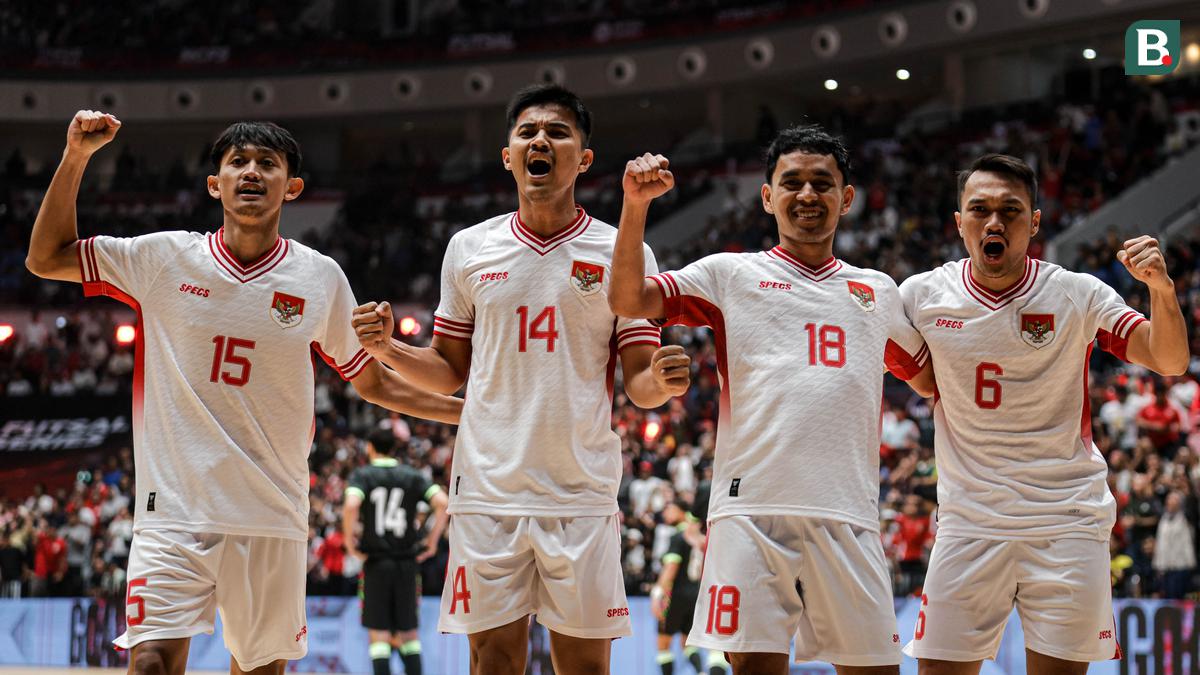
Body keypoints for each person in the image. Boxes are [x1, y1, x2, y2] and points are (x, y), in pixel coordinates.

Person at [25, 110, 463, 675]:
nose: (251, 172)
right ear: (215, 183)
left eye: (267, 163)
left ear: (293, 186)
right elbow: (46, 256)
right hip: (173, 514)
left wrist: (469, 412)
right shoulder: (163, 258)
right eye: (238, 162)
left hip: (270, 514)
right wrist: (76, 157)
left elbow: (373, 381)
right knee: (151, 661)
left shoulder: (320, 277)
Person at [352, 84, 691, 674]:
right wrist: (389, 350)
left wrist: (663, 382)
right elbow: (449, 370)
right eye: (527, 132)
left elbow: (638, 385)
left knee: (584, 666)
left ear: (583, 159)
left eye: (558, 132)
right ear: (507, 154)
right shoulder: (468, 248)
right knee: (494, 660)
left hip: (579, 490)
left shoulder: (624, 250)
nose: (541, 140)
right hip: (488, 489)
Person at [608, 124, 932, 675]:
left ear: (846, 198)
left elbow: (930, 381)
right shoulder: (730, 274)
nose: (807, 195)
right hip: (751, 514)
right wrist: (635, 206)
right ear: (768, 196)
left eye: (822, 184)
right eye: (793, 183)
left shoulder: (877, 290)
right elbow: (628, 297)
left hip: (848, 514)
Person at [898, 153, 1189, 674]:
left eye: (1010, 211)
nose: (994, 222)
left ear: (1034, 221)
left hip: (1066, 522)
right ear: (959, 222)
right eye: (979, 209)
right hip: (968, 524)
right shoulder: (919, 296)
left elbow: (1168, 359)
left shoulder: (1076, 294)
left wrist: (1162, 291)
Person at [343, 428, 449, 675]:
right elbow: (442, 503)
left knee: (378, 636)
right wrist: (431, 542)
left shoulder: (363, 475)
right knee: (409, 633)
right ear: (394, 449)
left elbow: (351, 505)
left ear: (370, 447)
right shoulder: (411, 475)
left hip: (376, 563)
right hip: (407, 564)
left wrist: (349, 542)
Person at [650, 498, 706, 675]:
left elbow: (671, 568)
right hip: (696, 594)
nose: (665, 513)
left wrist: (658, 592)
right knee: (687, 642)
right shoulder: (700, 538)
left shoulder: (678, 537)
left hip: (675, 595)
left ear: (681, 511)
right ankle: (701, 672)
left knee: (663, 643)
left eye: (669, 509)